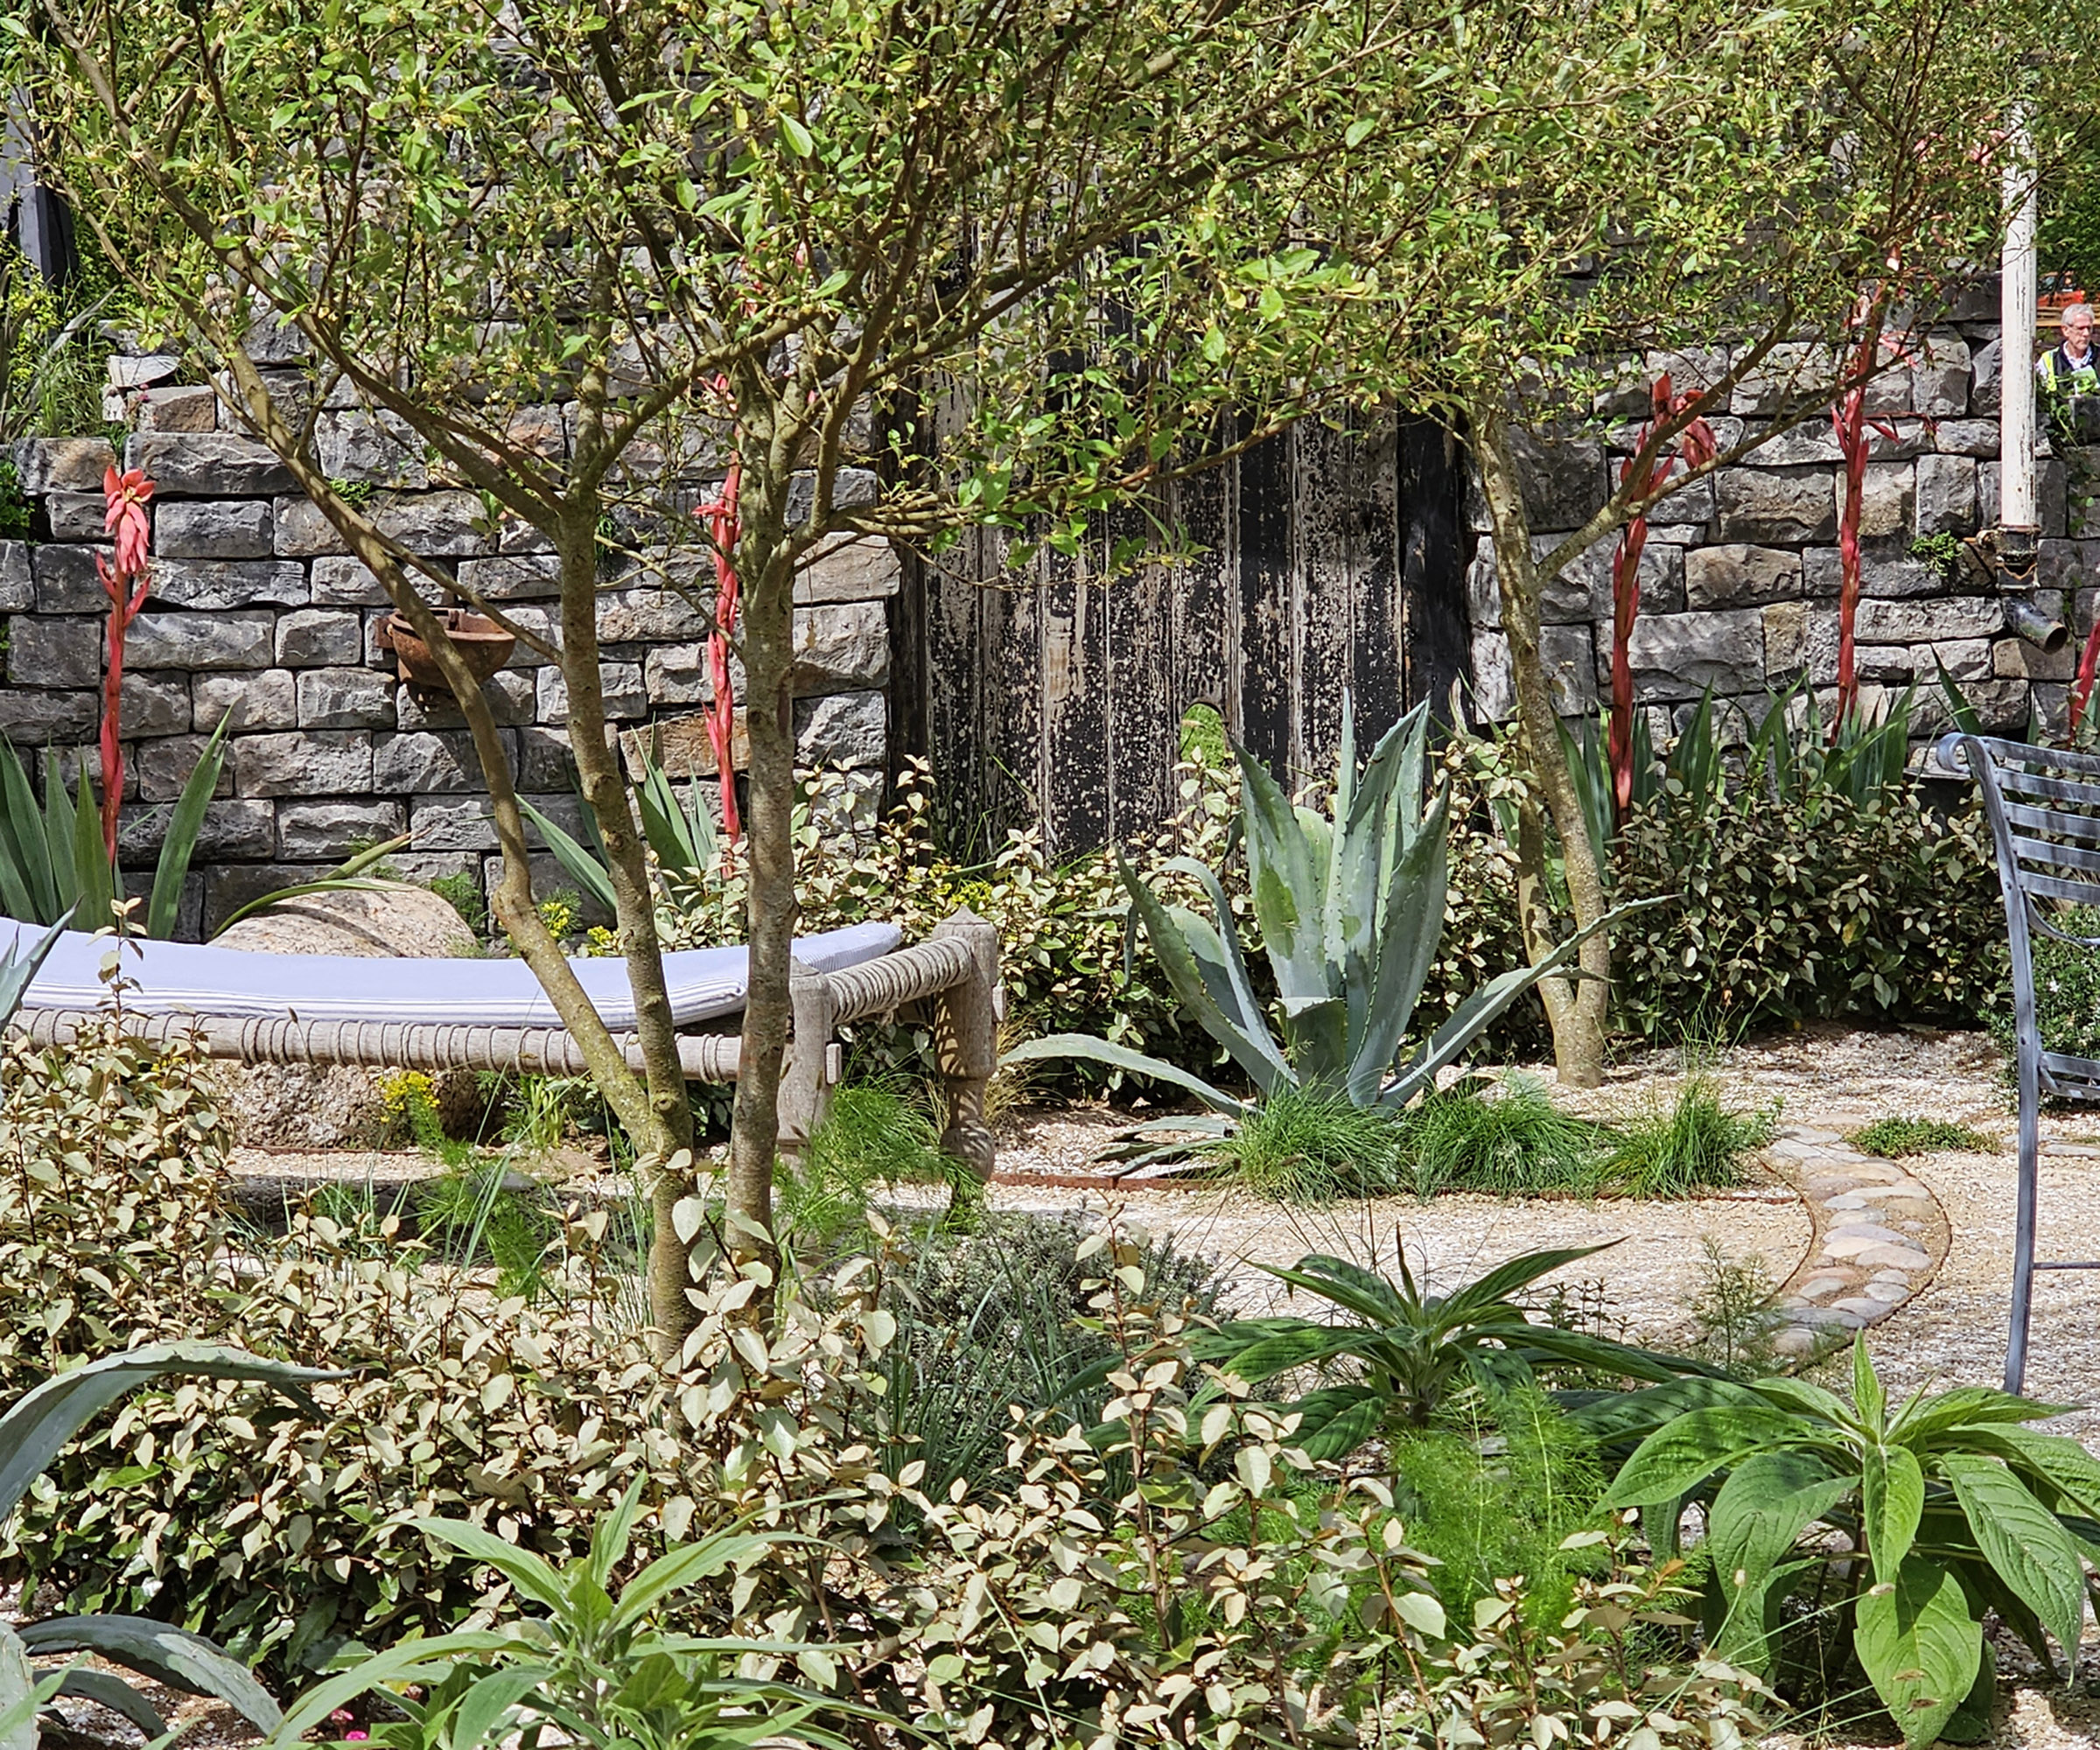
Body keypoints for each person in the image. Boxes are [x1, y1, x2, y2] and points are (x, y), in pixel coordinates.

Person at [2038, 303, 2100, 443]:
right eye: (2080, 328)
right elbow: (2043, 401)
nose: (2086, 334)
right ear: (2066, 330)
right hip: (2061, 438)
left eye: (2089, 328)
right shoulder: (2049, 360)